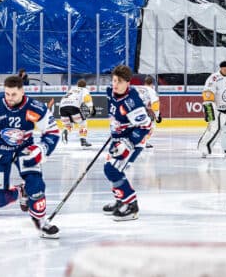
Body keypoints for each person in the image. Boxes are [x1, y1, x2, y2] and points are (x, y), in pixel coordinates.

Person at [0, 75, 61, 238]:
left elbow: (52, 131)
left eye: (14, 94)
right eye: (7, 94)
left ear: (22, 91)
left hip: (24, 148)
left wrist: (42, 148)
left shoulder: (35, 108)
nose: (9, 98)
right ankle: (20, 191)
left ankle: (42, 221)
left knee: (36, 185)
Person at [102, 65, 152, 221]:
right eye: (114, 80)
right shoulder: (111, 92)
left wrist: (128, 142)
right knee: (113, 169)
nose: (115, 84)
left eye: (120, 81)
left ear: (128, 83)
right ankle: (120, 200)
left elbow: (146, 126)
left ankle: (131, 205)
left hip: (132, 141)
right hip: (118, 139)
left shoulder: (132, 102)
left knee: (112, 170)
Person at [198, 61, 226, 159]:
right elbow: (208, 95)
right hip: (217, 110)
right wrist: (209, 112)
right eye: (224, 68)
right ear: (220, 68)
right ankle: (204, 149)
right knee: (213, 130)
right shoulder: (213, 78)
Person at [57, 78, 94, 147]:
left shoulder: (71, 90)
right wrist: (90, 108)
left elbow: (63, 99)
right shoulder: (84, 90)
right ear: (85, 86)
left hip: (62, 108)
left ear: (77, 85)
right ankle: (83, 140)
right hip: (73, 106)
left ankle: (65, 131)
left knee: (69, 125)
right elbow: (87, 98)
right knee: (83, 123)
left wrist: (60, 112)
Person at [135, 75, 162, 149]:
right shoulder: (151, 90)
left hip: (131, 109)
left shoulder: (137, 88)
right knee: (152, 125)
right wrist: (157, 115)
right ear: (152, 84)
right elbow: (155, 104)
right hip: (141, 110)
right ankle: (143, 141)